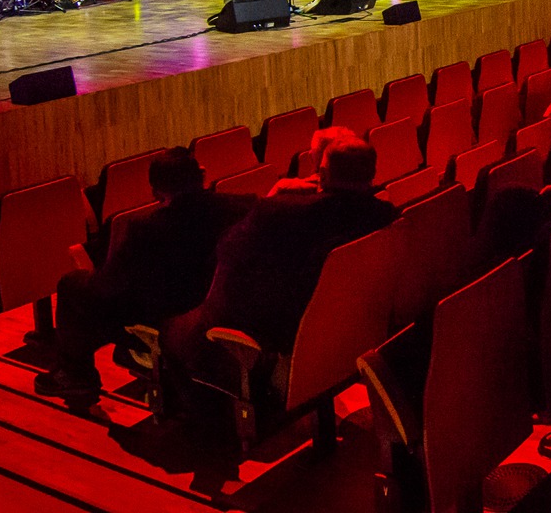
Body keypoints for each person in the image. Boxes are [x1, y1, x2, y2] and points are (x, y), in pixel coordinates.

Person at [161, 141, 395, 384]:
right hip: (347, 333)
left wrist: (274, 198)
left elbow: (227, 253)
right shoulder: (386, 215)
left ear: (322, 175)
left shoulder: (281, 213)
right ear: (373, 172)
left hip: (282, 336)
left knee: (178, 330)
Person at [34, 148, 252, 403]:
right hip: (221, 308)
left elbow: (106, 287)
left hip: (166, 321)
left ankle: (75, 376)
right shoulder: (240, 208)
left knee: (73, 286)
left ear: (156, 191)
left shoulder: (146, 230)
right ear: (201, 176)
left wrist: (89, 275)